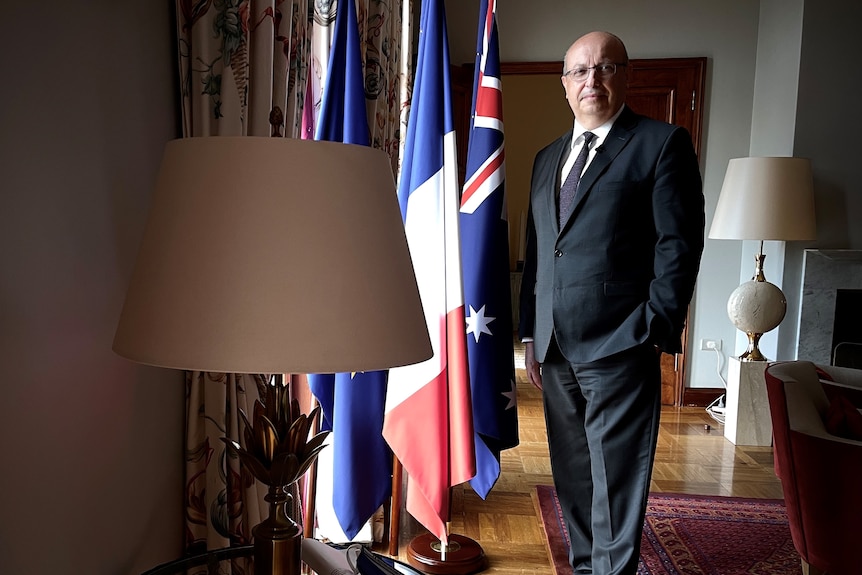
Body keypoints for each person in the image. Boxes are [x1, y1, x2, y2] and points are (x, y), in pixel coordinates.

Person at [518, 31, 705, 575]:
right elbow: (538, 255)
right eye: (579, 71)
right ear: (564, 83)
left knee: (618, 481)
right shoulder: (546, 158)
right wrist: (531, 334)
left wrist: (655, 325)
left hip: (622, 341)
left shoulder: (661, 144)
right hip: (555, 348)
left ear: (625, 75)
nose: (591, 81)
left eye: (604, 68)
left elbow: (679, 245)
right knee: (573, 474)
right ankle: (584, 568)